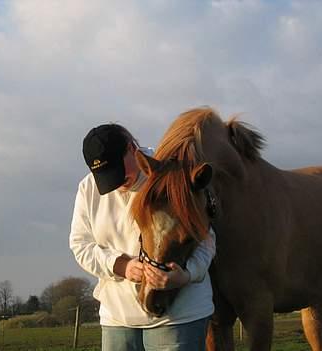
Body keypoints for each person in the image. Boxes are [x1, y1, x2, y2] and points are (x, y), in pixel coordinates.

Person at [69, 123, 215, 351]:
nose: (116, 183)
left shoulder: (174, 174)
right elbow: (80, 245)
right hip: (117, 319)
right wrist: (120, 265)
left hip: (178, 320)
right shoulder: (88, 189)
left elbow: (206, 240)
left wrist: (186, 276)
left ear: (132, 148)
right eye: (105, 175)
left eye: (118, 170)